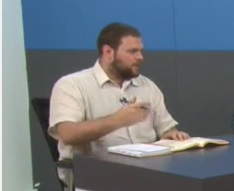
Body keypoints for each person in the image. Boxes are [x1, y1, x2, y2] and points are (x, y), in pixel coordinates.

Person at [48, 22, 190, 173]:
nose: (140, 57)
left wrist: (171, 135)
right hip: (96, 173)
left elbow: (166, 129)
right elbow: (68, 134)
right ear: (108, 52)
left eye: (141, 51)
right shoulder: (72, 85)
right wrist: (117, 120)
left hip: (148, 170)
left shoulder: (147, 86)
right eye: (132, 51)